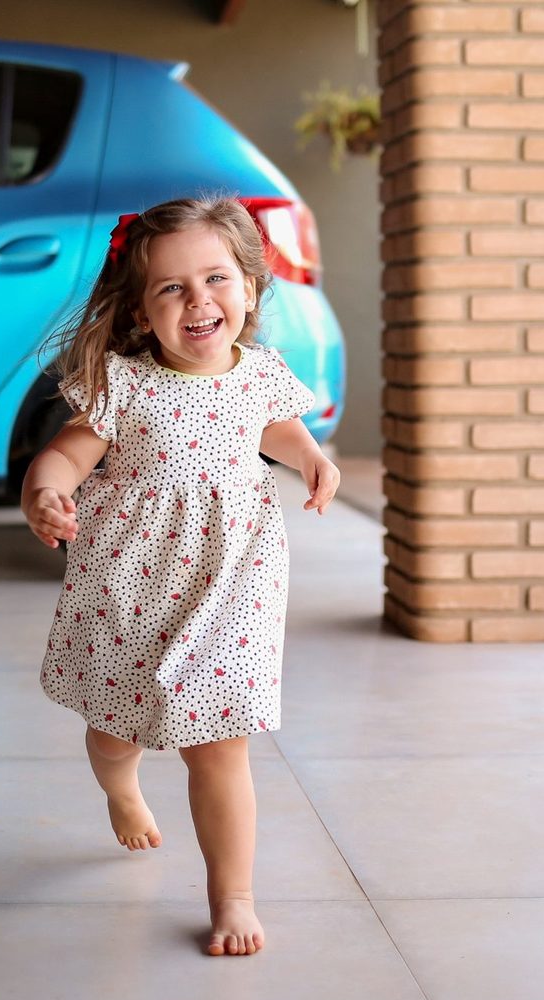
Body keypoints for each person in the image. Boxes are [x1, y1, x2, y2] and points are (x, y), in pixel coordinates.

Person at [21, 197, 340, 957]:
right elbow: (67, 453)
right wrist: (46, 488)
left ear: (251, 289)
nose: (199, 301)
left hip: (234, 581)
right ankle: (120, 785)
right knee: (115, 728)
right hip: (132, 584)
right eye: (171, 288)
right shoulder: (124, 384)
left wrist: (313, 460)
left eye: (216, 279)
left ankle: (232, 895)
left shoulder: (260, 372)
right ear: (140, 309)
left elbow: (278, 429)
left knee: (221, 741)